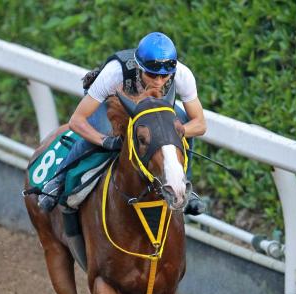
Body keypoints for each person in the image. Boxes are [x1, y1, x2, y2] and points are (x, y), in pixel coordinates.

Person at [38, 32, 206, 214]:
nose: (159, 82)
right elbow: (77, 121)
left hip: (152, 111)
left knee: (178, 125)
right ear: (139, 68)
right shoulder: (114, 73)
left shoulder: (182, 74)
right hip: (114, 103)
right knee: (101, 131)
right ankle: (58, 181)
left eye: (165, 77)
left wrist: (176, 131)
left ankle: (185, 183)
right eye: (151, 75)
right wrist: (104, 141)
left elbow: (199, 124)